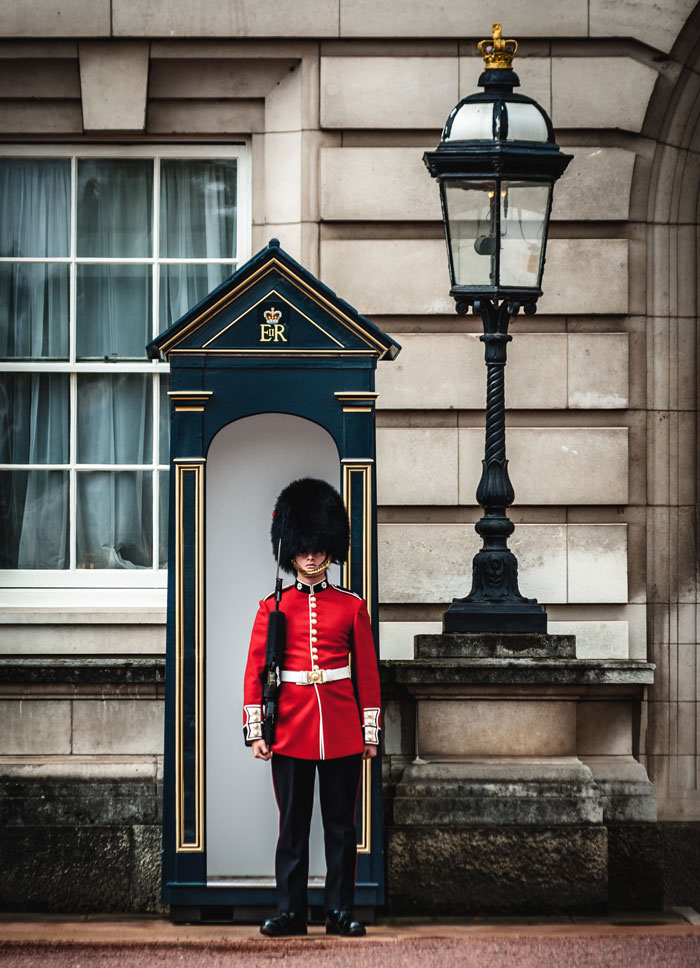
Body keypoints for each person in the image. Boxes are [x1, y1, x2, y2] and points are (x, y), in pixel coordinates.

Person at [243, 477, 381, 938]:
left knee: (341, 828)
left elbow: (366, 675)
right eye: (303, 547)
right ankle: (291, 911)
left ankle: (339, 910)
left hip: (341, 727)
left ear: (328, 547)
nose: (311, 555)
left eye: (318, 546)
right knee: (293, 828)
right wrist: (257, 730)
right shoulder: (271, 608)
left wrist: (369, 732)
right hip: (290, 728)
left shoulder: (351, 607)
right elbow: (256, 672)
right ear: (292, 548)